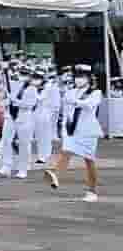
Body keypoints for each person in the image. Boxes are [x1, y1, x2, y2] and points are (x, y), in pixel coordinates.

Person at [45, 64, 102, 203]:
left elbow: (89, 105)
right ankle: (56, 175)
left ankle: (92, 191)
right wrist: (64, 129)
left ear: (88, 78)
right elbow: (67, 112)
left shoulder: (96, 92)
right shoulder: (71, 91)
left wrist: (76, 102)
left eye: (82, 77)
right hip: (72, 128)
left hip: (88, 131)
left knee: (89, 161)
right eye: (77, 77)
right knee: (66, 151)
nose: (78, 80)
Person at [0, 65, 40, 179]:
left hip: (24, 118)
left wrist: (15, 101)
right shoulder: (13, 85)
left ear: (30, 77)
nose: (22, 76)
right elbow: (6, 99)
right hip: (10, 117)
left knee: (24, 144)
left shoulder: (32, 89)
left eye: (25, 74)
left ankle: (22, 169)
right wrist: (5, 102)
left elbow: (30, 105)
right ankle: (6, 166)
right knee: (6, 141)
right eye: (21, 73)